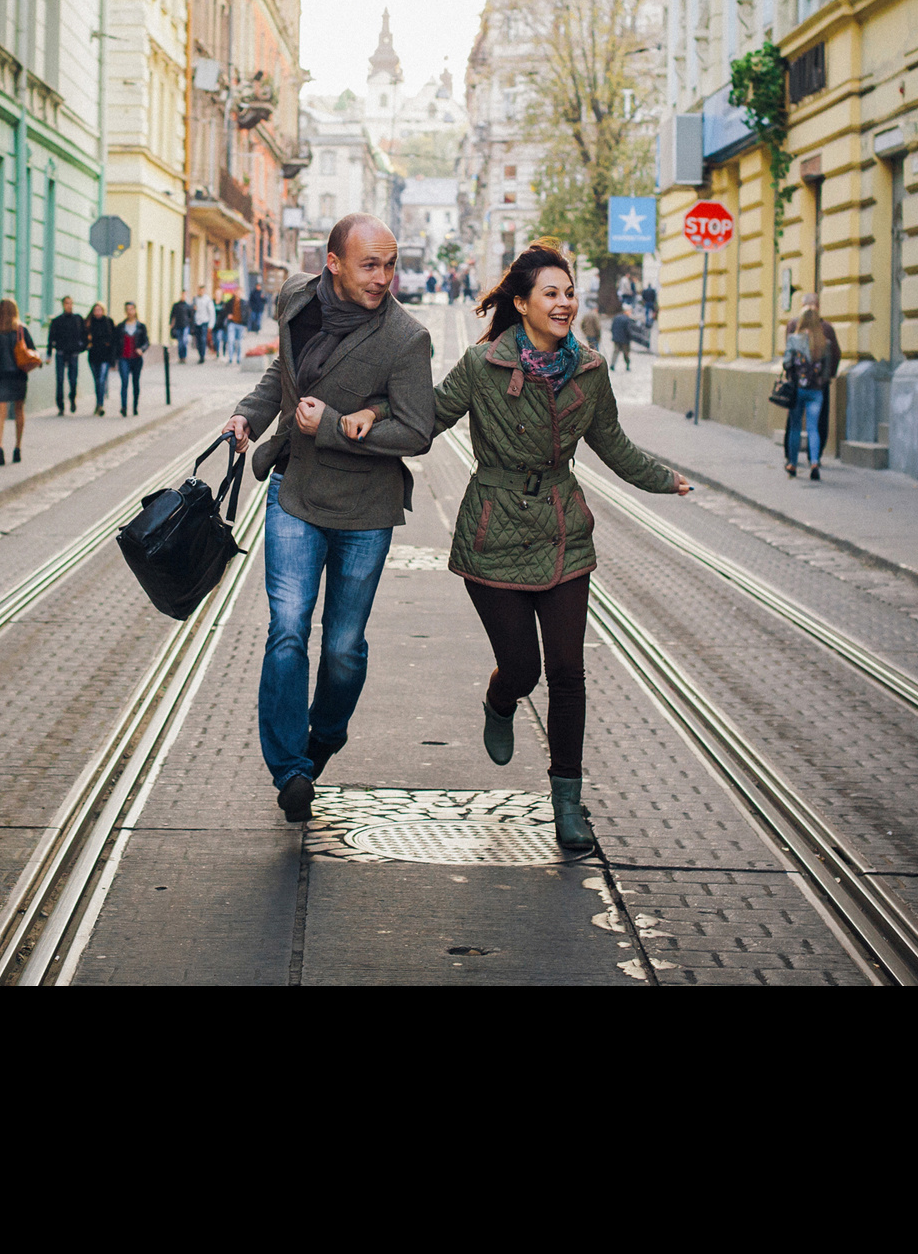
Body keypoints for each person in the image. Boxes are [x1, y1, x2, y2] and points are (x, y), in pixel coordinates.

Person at [344, 246, 689, 860]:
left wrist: (665, 478)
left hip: (562, 533)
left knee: (568, 674)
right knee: (523, 670)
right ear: (523, 304)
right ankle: (499, 699)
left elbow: (614, 445)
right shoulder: (483, 364)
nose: (564, 303)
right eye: (551, 294)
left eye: (569, 292)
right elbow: (429, 417)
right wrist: (371, 412)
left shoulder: (589, 370)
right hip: (493, 533)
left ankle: (566, 804)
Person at [223, 214, 435, 826]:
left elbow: (417, 431)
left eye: (390, 265)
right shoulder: (296, 298)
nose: (384, 277)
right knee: (287, 628)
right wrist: (247, 418)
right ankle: (289, 768)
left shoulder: (405, 339)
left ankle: (325, 738)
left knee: (342, 647)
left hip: (365, 508)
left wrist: (340, 425)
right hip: (294, 490)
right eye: (371, 264)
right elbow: (281, 378)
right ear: (332, 264)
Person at [782, 301, 838, 481]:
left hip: (798, 389)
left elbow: (787, 363)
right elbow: (828, 367)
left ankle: (792, 463)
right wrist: (822, 380)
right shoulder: (824, 342)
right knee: (813, 428)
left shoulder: (794, 339)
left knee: (796, 427)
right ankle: (814, 462)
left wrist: (793, 375)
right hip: (816, 391)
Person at [0, 297, 36, 466]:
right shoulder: (21, 329)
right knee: (19, 411)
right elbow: (33, 350)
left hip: (1, 376)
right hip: (19, 375)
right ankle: (17, 448)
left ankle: (0, 446)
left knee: (0, 413)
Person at [47, 295, 87, 415]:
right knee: (59, 379)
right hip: (60, 353)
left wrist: (82, 347)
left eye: (70, 303)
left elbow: (84, 335)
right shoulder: (57, 321)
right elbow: (51, 338)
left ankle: (72, 398)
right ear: (63, 305)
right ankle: (60, 405)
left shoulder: (78, 319)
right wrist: (49, 355)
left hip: (73, 353)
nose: (69, 306)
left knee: (73, 380)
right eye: (66, 303)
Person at [115, 301, 148, 415]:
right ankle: (123, 407)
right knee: (124, 382)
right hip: (124, 358)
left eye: (131, 309)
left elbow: (146, 342)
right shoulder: (121, 326)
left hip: (136, 358)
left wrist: (141, 349)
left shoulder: (141, 326)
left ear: (135, 310)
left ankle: (135, 406)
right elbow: (116, 342)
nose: (129, 312)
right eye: (127, 309)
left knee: (135, 383)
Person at [86, 301, 118, 415]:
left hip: (105, 356)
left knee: (101, 380)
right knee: (97, 381)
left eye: (99, 310)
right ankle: (98, 403)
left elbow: (114, 340)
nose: (97, 312)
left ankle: (100, 405)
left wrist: (113, 359)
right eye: (95, 310)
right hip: (93, 356)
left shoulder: (108, 322)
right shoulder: (90, 323)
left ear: (103, 311)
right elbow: (84, 337)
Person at [191, 285, 215, 363]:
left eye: (202, 290)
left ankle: (202, 356)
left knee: (203, 339)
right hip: (197, 322)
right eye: (199, 290)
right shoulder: (195, 299)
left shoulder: (207, 300)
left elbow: (212, 313)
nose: (200, 292)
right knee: (197, 340)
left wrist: (211, 325)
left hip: (204, 322)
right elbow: (192, 310)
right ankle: (200, 354)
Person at [169, 292, 195, 363]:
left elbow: (191, 317)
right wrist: (171, 324)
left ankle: (184, 356)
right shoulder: (176, 305)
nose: (183, 296)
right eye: (182, 295)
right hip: (178, 326)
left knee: (184, 341)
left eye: (185, 295)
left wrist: (191, 327)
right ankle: (181, 357)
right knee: (180, 342)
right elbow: (172, 315)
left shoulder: (188, 306)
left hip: (185, 326)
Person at [610, 304, 634, 373]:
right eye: (629, 311)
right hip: (624, 339)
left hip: (616, 338)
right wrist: (630, 338)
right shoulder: (627, 319)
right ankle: (627, 365)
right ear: (626, 311)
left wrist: (614, 336)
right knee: (626, 353)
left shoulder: (616, 317)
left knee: (615, 352)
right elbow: (628, 330)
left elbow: (612, 327)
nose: (630, 313)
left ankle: (612, 365)